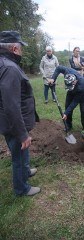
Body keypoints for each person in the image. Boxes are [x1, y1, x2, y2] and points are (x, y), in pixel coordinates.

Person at [0, 30, 41, 196]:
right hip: (14, 123)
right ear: (14, 49)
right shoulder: (10, 68)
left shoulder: (4, 63)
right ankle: (22, 188)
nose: (22, 51)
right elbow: (11, 105)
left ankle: (25, 172)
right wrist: (22, 133)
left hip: (9, 121)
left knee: (22, 151)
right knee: (19, 153)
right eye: (21, 47)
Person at [51, 65, 84, 132]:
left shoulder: (81, 86)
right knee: (67, 105)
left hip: (83, 92)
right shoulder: (67, 71)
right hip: (72, 90)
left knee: (83, 109)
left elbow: (75, 102)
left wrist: (66, 113)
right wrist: (53, 78)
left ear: (75, 81)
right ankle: (68, 125)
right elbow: (58, 68)